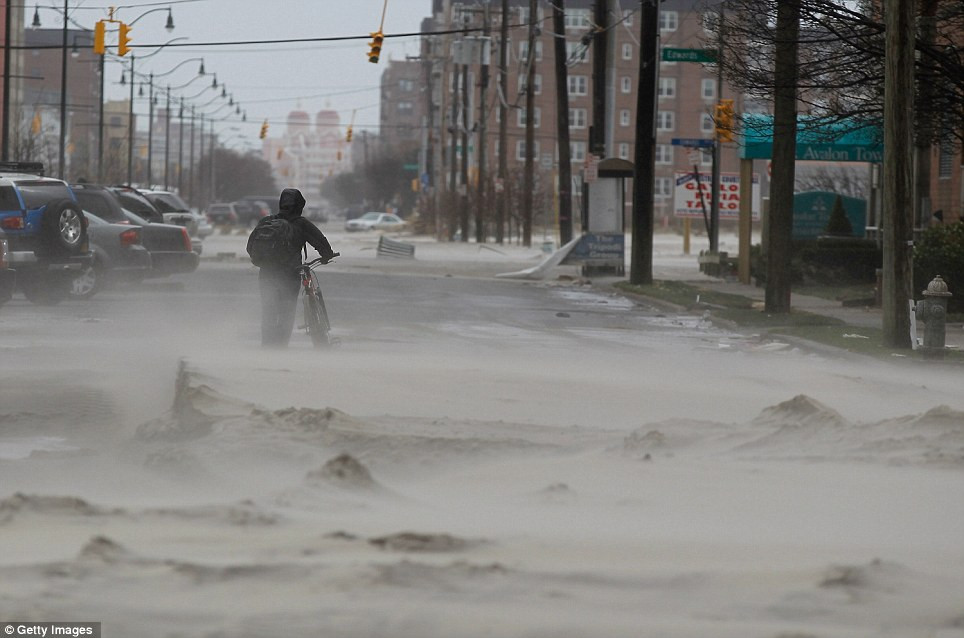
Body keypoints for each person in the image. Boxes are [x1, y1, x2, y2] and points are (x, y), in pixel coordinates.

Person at [258, 188, 336, 347]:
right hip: (289, 274)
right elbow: (320, 241)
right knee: (287, 309)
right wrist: (327, 255)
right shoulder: (301, 224)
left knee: (268, 309)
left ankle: (267, 345)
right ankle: (281, 346)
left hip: (266, 273)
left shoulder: (267, 222)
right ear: (300, 205)